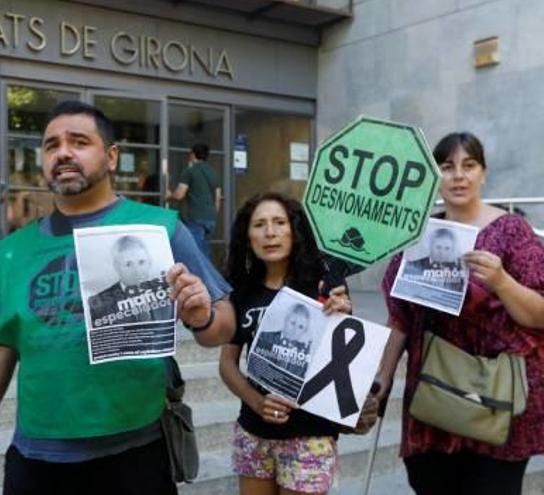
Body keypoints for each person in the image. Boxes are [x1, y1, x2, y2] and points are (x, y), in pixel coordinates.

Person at [0, 101, 236, 495]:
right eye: (51, 145)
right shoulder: (11, 252)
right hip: (37, 459)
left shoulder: (160, 229)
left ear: (111, 157)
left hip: (136, 453)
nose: (63, 152)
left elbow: (223, 324)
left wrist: (201, 316)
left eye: (79, 142)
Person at [378, 132, 544, 495]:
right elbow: (399, 317)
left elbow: (539, 314)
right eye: (447, 166)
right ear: (435, 175)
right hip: (433, 396)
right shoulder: (418, 235)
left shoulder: (513, 232)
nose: (458, 175)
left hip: (495, 400)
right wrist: (382, 378)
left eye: (468, 166)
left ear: (483, 174)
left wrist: (501, 281)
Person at [219, 192, 365, 495]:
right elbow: (227, 364)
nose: (270, 233)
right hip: (253, 432)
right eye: (259, 224)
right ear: (248, 236)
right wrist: (257, 403)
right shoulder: (241, 292)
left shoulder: (324, 285)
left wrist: (344, 317)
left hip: (310, 435)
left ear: (295, 231)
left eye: (279, 222)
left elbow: (344, 360)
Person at [87, 235, 173, 326]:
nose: (137, 271)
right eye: (128, 264)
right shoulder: (98, 304)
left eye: (141, 262)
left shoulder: (166, 293)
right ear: (117, 267)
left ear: (149, 262)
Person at [169, 143, 221, 258]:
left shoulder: (190, 171)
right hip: (210, 218)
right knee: (204, 251)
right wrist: (212, 214)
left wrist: (168, 195)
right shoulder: (213, 173)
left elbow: (179, 195)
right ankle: (206, 274)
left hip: (196, 217)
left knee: (195, 253)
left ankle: (200, 275)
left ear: (193, 155)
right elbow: (217, 198)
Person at [254, 303, 314, 378]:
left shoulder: (304, 351)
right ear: (285, 320)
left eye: (301, 327)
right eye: (292, 323)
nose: (295, 330)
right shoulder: (265, 337)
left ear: (305, 330)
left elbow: (301, 376)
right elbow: (255, 366)